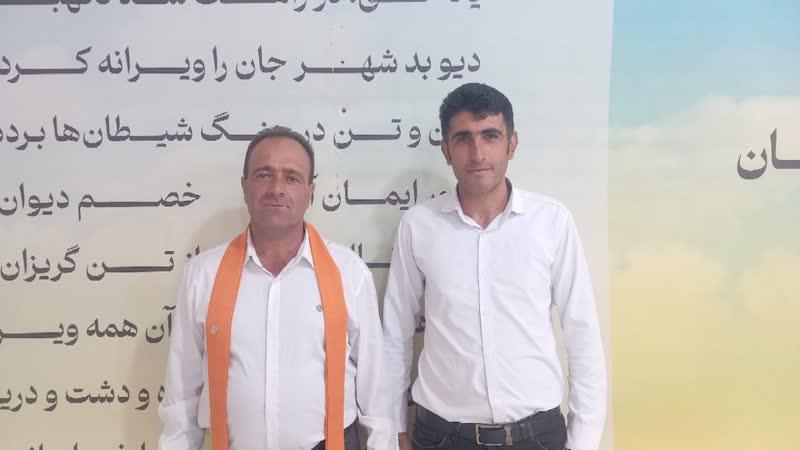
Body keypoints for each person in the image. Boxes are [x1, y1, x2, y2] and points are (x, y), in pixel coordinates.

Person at [382, 83, 607, 450]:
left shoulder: (551, 222)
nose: (477, 153)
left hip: (537, 437)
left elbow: (582, 335)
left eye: (490, 136)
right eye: (463, 139)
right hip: (441, 437)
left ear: (511, 144)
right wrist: (393, 430)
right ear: (446, 150)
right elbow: (395, 334)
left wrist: (583, 441)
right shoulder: (419, 225)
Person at [158, 126, 397, 450]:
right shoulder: (203, 275)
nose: (277, 189)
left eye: (292, 177)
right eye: (264, 175)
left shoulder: (349, 273)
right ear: (245, 187)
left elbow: (376, 399)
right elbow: (182, 401)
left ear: (311, 191)